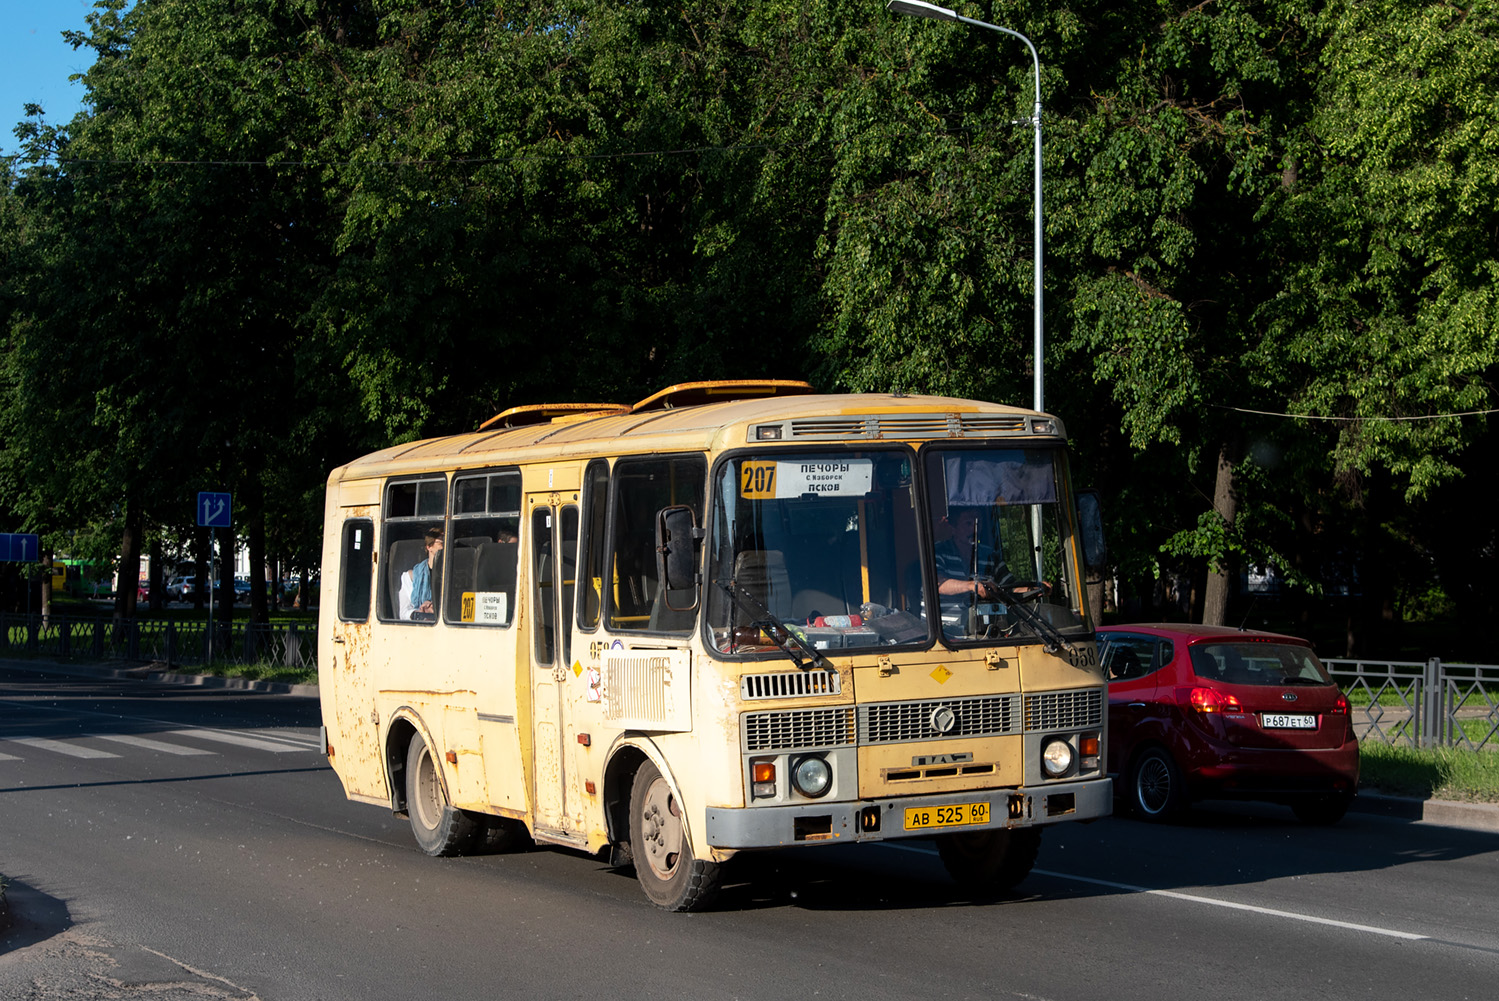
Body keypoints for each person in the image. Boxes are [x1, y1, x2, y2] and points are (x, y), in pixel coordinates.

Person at [934, 507, 1008, 600]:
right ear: (953, 528)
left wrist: (1030, 590)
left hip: (982, 614)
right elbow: (938, 584)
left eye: (978, 524)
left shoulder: (989, 555)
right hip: (940, 615)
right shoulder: (938, 551)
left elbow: (1010, 587)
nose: (974, 530)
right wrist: (972, 586)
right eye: (968, 523)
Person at [410, 526, 443, 619]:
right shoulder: (414, 575)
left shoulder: (453, 572)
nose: (445, 546)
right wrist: (422, 610)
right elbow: (404, 610)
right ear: (429, 547)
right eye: (441, 542)